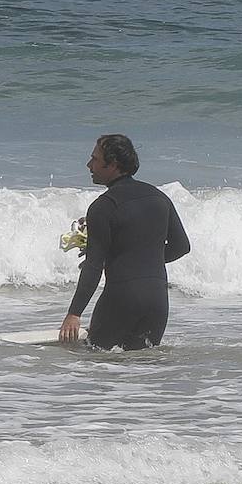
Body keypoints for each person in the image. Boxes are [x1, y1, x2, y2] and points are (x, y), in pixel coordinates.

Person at [59, 135, 191, 349]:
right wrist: (143, 259)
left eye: (94, 159)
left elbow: (93, 267)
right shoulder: (159, 197)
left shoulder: (103, 206)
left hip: (121, 298)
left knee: (99, 366)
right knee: (141, 373)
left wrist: (74, 314)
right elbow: (181, 246)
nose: (89, 165)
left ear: (113, 164)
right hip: (157, 301)